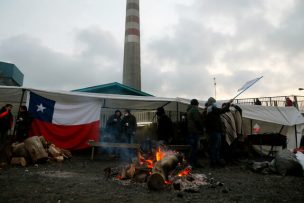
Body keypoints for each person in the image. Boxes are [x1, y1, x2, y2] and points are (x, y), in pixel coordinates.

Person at [205, 97, 232, 167]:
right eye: (214, 102)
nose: (215, 103)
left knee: (215, 147)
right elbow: (223, 110)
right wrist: (229, 103)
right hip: (215, 131)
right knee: (215, 147)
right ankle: (214, 162)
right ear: (212, 102)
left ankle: (215, 161)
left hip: (213, 131)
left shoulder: (209, 109)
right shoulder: (212, 109)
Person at [186, 99, 204, 168]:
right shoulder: (194, 110)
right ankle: (194, 164)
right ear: (196, 104)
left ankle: (192, 163)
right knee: (195, 148)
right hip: (195, 131)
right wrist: (201, 128)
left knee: (192, 148)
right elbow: (197, 120)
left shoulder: (189, 110)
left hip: (190, 131)